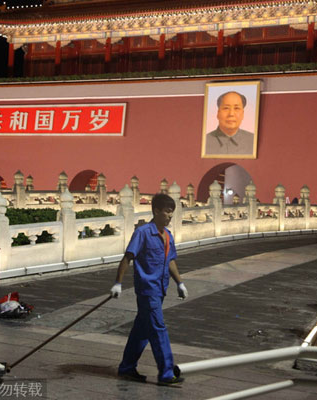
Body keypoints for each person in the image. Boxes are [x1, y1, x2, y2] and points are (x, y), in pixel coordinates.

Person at [110, 193, 188, 386]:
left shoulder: (168, 236)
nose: (170, 217)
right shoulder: (143, 233)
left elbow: (170, 261)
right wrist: (118, 283)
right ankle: (166, 372)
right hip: (147, 290)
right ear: (156, 211)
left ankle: (127, 368)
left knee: (142, 331)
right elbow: (127, 258)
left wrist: (180, 283)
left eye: (172, 213)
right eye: (167, 212)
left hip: (161, 289)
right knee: (158, 329)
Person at [205, 91, 255, 156]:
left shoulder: (253, 140)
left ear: (243, 114)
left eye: (236, 108)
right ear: (218, 113)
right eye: (226, 108)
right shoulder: (205, 141)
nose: (231, 114)